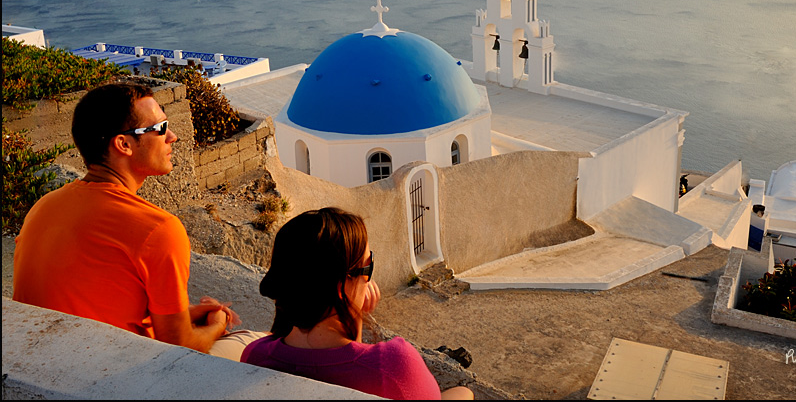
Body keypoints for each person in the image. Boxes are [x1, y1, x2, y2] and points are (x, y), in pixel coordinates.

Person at [13, 81, 240, 355]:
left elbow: (90, 305)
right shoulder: (158, 229)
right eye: (160, 129)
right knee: (250, 343)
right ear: (123, 144)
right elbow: (179, 347)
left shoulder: (44, 206)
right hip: (103, 378)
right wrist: (217, 323)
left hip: (37, 365)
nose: (173, 137)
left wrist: (186, 312)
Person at [242, 208, 474, 400]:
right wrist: (355, 319)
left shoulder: (255, 356)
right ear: (341, 287)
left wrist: (348, 308)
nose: (369, 279)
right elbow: (356, 361)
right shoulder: (394, 364)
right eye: (367, 267)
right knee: (462, 393)